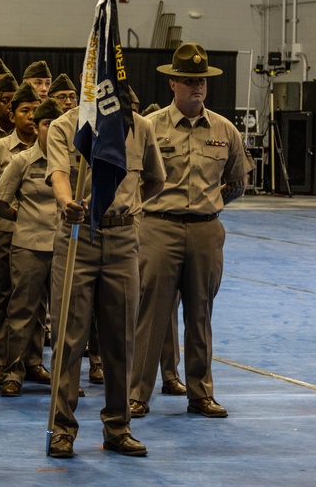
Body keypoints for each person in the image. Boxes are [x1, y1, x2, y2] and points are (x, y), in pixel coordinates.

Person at [128, 43, 251, 420]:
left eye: (202, 81)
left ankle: (200, 393)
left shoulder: (224, 129)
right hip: (159, 229)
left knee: (200, 315)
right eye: (188, 80)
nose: (197, 87)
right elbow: (136, 178)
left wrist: (208, 207)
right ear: (172, 83)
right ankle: (137, 395)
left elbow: (237, 181)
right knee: (152, 315)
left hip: (205, 231)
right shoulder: (150, 127)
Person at [45, 89, 165, 459]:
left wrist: (129, 208)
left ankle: (118, 426)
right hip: (78, 236)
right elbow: (59, 174)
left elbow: (156, 180)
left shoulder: (140, 128)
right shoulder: (67, 126)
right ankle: (61, 429)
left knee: (120, 339)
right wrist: (67, 204)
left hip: (122, 239)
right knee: (69, 337)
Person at [0, 98, 62, 396]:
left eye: (58, 126)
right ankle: (13, 372)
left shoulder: (72, 161)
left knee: (62, 315)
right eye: (47, 124)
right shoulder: (22, 161)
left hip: (64, 245)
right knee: (23, 310)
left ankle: (57, 373)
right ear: (37, 127)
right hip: (29, 244)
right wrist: (25, 217)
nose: (52, 130)